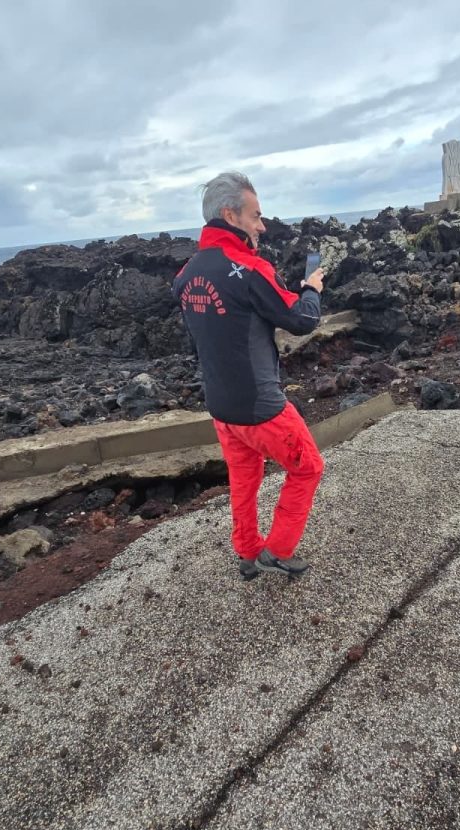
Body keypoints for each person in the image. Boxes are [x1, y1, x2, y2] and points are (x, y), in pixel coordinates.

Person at [173, 172, 325, 579]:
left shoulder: (186, 275)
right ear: (230, 215)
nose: (263, 226)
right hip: (261, 408)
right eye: (256, 216)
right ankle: (277, 551)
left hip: (221, 407)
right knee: (308, 467)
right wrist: (312, 289)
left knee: (244, 480)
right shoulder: (250, 268)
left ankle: (247, 550)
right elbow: (301, 320)